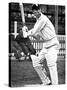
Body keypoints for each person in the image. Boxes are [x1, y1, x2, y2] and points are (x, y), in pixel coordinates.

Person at [22, 4, 59, 85]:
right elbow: (37, 37)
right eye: (34, 13)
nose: (36, 14)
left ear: (40, 10)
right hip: (46, 46)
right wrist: (27, 31)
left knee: (51, 65)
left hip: (53, 45)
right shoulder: (38, 21)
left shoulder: (43, 19)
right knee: (36, 62)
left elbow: (34, 31)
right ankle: (46, 81)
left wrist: (27, 33)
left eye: (37, 12)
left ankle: (55, 86)